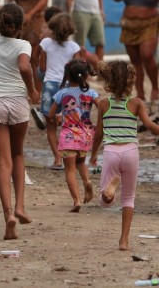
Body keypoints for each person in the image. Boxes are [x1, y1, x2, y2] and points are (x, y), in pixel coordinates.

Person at [0, 3, 40, 240]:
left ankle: (8, 215)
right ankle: (21, 206)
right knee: (18, 155)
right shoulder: (23, 44)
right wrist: (32, 90)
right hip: (18, 103)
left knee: (2, 163)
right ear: (20, 26)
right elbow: (24, 66)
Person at [90, 60, 159, 251]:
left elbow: (99, 134)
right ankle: (124, 241)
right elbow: (149, 125)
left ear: (109, 80)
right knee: (128, 198)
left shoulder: (103, 104)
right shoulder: (136, 103)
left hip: (111, 151)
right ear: (131, 81)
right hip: (131, 152)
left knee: (104, 201)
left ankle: (109, 190)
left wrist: (93, 154)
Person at [106, 0, 159, 101]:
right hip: (129, 24)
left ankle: (155, 87)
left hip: (148, 24)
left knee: (146, 55)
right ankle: (140, 93)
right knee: (135, 61)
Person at [48, 60, 100, 212]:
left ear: (67, 76)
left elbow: (51, 115)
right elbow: (102, 107)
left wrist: (58, 116)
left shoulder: (62, 93)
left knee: (69, 169)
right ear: (85, 75)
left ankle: (76, 201)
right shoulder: (91, 93)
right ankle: (87, 181)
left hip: (68, 136)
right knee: (80, 163)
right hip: (85, 135)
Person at [39, 12, 81, 170]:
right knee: (69, 124)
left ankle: (57, 159)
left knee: (50, 127)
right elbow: (77, 71)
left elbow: (42, 67)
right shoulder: (74, 47)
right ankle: (70, 158)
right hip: (68, 87)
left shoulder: (45, 44)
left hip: (50, 85)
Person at [15, 0, 50, 92]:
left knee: (34, 58)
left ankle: (36, 90)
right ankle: (30, 89)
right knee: (25, 57)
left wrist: (30, 13)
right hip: (24, 24)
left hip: (35, 23)